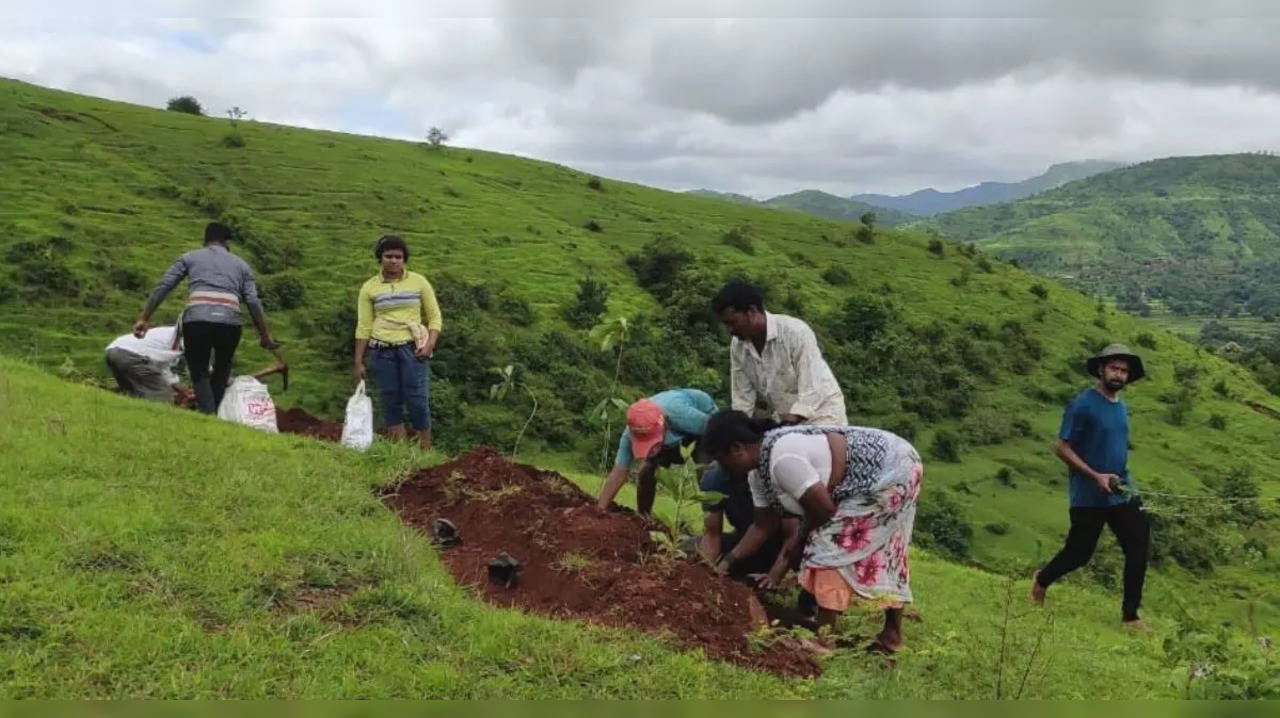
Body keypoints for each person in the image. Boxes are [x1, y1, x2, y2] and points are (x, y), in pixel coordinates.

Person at [704, 410, 922, 654]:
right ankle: (891, 635)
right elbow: (762, 525)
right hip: (894, 463)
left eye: (723, 461)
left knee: (826, 547)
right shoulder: (758, 471)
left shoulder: (781, 460)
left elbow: (824, 511)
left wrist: (797, 545)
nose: (724, 470)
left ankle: (823, 640)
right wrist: (724, 566)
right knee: (886, 549)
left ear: (737, 449)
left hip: (890, 469)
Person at [1032, 344, 1151, 630]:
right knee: (1079, 553)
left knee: (1138, 547)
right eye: (1114, 368)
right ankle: (1042, 579)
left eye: (1124, 371)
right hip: (1089, 493)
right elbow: (1061, 447)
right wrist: (1094, 475)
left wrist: (1119, 480)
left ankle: (1130, 616)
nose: (1118, 375)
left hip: (1121, 490)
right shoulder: (1083, 404)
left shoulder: (1122, 406)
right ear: (1101, 369)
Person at [133, 222, 277, 414]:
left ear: (205, 240)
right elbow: (253, 301)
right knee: (222, 367)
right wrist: (265, 336)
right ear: (227, 242)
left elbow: (164, 285)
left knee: (199, 369)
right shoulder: (242, 265)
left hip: (197, 320)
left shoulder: (189, 258)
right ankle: (213, 413)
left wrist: (144, 318)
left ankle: (208, 414)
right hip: (230, 323)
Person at [711, 280, 846, 426]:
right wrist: (740, 426)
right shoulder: (738, 345)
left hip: (824, 413)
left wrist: (789, 424)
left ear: (752, 311)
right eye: (726, 324)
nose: (730, 330)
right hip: (784, 418)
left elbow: (811, 387)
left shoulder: (795, 332)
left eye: (733, 322)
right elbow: (742, 397)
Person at [353, 235, 442, 451]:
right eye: (388, 256)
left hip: (413, 348)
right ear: (380, 258)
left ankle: (425, 449)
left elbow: (434, 316)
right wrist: (358, 361)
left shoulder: (418, 282)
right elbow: (364, 325)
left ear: (405, 260)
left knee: (417, 398)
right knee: (390, 399)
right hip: (381, 350)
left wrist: (430, 343)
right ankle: (399, 451)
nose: (393, 261)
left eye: (398, 257)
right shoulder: (369, 288)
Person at [597, 388, 717, 514]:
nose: (651, 450)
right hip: (673, 438)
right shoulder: (631, 432)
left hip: (702, 434)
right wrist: (599, 510)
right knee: (645, 471)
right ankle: (644, 519)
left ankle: (711, 530)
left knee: (706, 475)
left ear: (664, 425)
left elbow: (720, 430)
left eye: (652, 442)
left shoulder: (685, 416)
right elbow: (618, 473)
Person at [104, 325, 188, 403]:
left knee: (133, 395)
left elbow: (162, 363)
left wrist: (175, 385)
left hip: (114, 351)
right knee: (161, 395)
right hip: (132, 355)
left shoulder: (172, 333)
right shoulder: (186, 337)